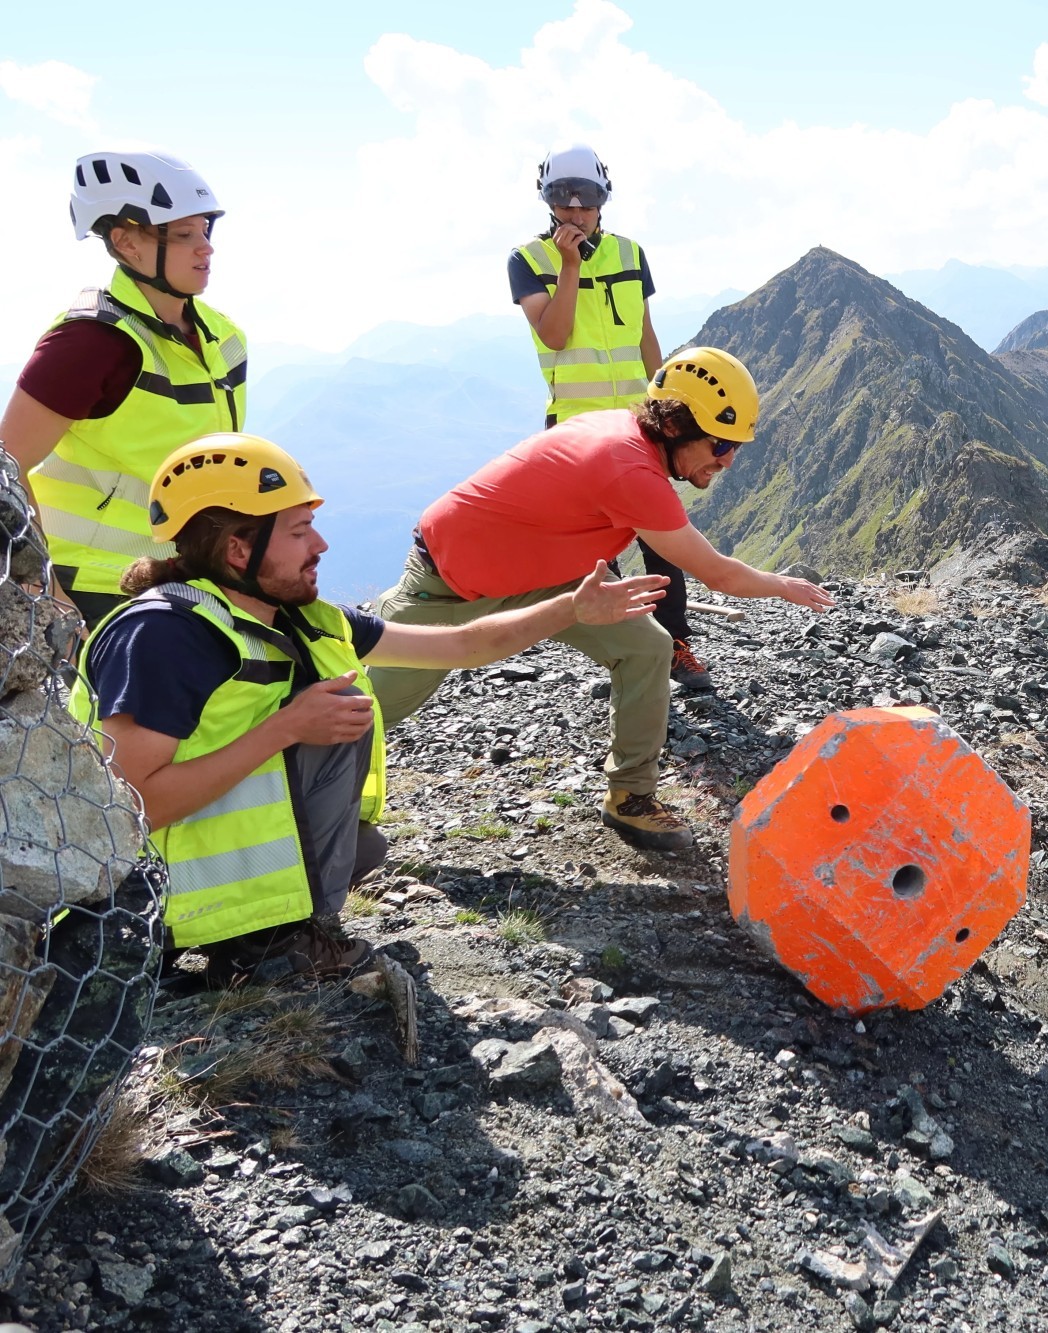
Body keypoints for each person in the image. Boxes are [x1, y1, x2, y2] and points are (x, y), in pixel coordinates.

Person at [69, 434, 668, 980]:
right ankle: (261, 945)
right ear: (237, 549)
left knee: (365, 849)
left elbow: (463, 645)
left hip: (200, 863)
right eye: (300, 530)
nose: (322, 544)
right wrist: (286, 728)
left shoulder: (302, 621)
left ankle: (264, 929)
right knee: (333, 715)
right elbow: (132, 807)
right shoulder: (163, 636)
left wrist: (570, 609)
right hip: (132, 890)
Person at [368, 347, 834, 853]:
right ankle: (306, 813)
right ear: (677, 425)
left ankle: (630, 797)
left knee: (647, 647)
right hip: (446, 584)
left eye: (736, 445)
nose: (727, 459)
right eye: (720, 442)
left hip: (555, 578)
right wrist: (784, 585)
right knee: (363, 713)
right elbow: (718, 574)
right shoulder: (629, 471)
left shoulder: (631, 443)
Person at [2, 150, 246, 628]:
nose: (206, 248)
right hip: (96, 588)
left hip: (187, 577)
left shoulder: (224, 336)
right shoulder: (88, 342)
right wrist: (48, 595)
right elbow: (5, 465)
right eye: (183, 235)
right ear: (126, 242)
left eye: (205, 230)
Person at [509, 144, 713, 693]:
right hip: (577, 433)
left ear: (604, 198)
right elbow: (554, 334)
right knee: (595, 551)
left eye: (587, 197)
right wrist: (571, 265)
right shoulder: (527, 261)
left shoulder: (630, 253)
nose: (576, 211)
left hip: (638, 424)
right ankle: (632, 652)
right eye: (562, 197)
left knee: (662, 541)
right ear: (547, 200)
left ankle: (675, 647)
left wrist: (669, 407)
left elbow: (645, 334)